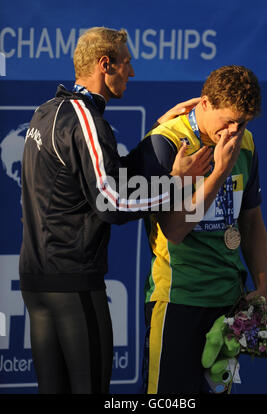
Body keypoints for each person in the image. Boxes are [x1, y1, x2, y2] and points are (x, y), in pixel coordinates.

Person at [19, 27, 214, 394]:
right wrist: (176, 184)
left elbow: (106, 175)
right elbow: (111, 201)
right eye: (128, 63)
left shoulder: (48, 111)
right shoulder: (84, 119)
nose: (133, 73)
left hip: (39, 282)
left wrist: (158, 130)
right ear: (105, 65)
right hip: (73, 283)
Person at [140, 65, 267, 394]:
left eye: (242, 124)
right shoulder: (166, 142)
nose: (233, 132)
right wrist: (219, 173)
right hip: (178, 299)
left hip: (227, 301)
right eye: (228, 121)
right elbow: (174, 230)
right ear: (206, 102)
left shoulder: (246, 145)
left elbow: (251, 219)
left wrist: (263, 285)